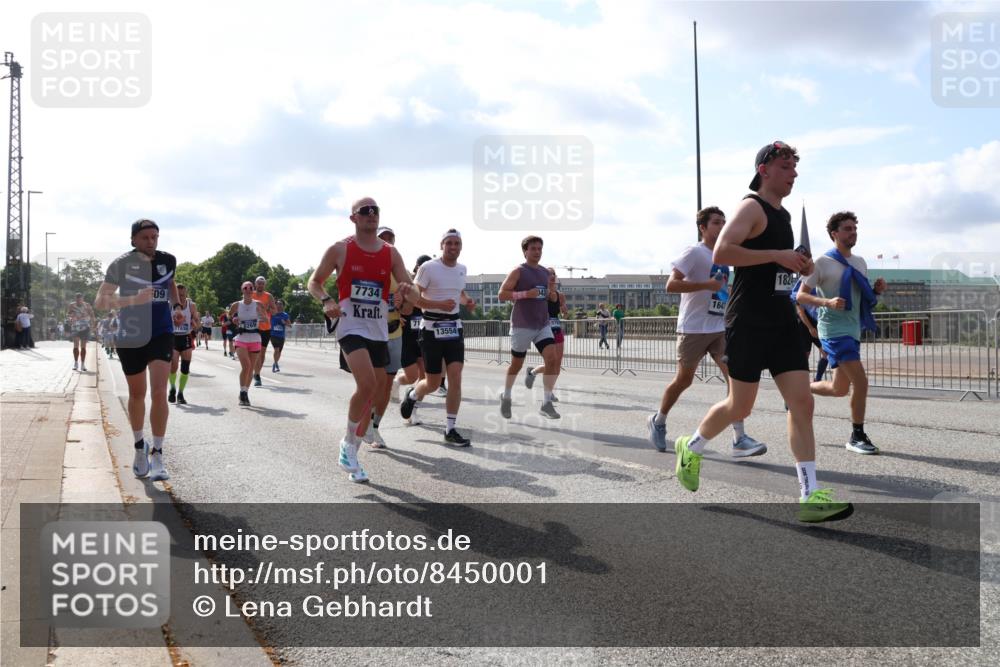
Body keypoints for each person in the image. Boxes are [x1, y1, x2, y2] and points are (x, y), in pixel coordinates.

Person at [673, 141, 853, 523]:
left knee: (802, 402)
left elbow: (776, 268)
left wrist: (797, 266)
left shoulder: (783, 216)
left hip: (781, 321)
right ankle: (692, 446)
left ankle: (809, 494)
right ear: (764, 169)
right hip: (749, 322)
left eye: (795, 167)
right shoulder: (750, 206)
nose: (794, 173)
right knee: (741, 406)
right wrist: (777, 255)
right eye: (786, 166)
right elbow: (723, 252)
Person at [309, 197, 417, 482]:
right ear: (353, 218)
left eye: (375, 211)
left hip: (378, 329)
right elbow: (314, 281)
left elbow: (411, 294)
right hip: (349, 326)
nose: (371, 215)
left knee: (375, 391)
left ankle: (353, 452)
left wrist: (407, 292)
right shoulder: (340, 249)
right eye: (365, 211)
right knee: (367, 383)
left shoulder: (391, 254)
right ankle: (347, 442)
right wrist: (327, 300)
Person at [646, 206, 767, 457]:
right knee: (684, 380)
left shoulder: (725, 255)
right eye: (716, 222)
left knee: (734, 379)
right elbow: (671, 285)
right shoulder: (694, 252)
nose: (722, 226)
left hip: (719, 326)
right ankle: (658, 421)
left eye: (724, 222)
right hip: (692, 327)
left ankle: (739, 438)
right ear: (703, 227)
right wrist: (706, 285)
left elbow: (722, 290)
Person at [95, 219, 177, 482]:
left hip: (161, 333)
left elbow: (171, 284)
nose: (151, 242)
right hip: (130, 336)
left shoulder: (168, 260)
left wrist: (175, 307)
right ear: (133, 240)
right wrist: (133, 299)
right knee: (137, 394)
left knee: (160, 391)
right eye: (145, 238)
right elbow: (101, 301)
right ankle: (139, 446)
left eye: (155, 237)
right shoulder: (120, 265)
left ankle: (158, 454)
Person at [797, 211, 886, 455]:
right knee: (861, 381)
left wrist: (876, 292)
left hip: (853, 328)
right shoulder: (822, 263)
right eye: (847, 228)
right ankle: (857, 435)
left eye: (855, 228)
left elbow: (862, 297)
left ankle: (799, 389)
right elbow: (800, 295)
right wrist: (826, 302)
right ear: (834, 233)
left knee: (839, 388)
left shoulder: (860, 262)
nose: (853, 232)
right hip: (833, 330)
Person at [399, 229, 475, 445]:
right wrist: (438, 305)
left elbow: (458, 293)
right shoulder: (428, 268)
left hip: (454, 327)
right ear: (441, 245)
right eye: (449, 243)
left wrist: (467, 300)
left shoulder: (462, 269)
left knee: (455, 378)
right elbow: (414, 298)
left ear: (461, 246)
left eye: (457, 243)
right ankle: (413, 395)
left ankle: (450, 429)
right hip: (431, 328)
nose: (453, 247)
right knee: (432, 383)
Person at [498, 236, 560, 420]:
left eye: (540, 248)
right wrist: (526, 294)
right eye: (533, 248)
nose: (537, 252)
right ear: (525, 251)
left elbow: (548, 296)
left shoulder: (544, 272)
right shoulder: (518, 271)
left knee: (552, 359)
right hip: (522, 325)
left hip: (542, 324)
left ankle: (546, 403)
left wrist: (551, 294)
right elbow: (502, 295)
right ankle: (506, 396)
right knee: (516, 365)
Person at [392, 254, 432, 425]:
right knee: (411, 376)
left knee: (425, 377)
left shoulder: (431, 287)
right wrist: (397, 315)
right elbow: (396, 304)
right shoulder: (406, 284)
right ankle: (397, 382)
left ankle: (412, 411)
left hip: (422, 338)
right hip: (406, 338)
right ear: (417, 269)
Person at [525, 268, 567, 402]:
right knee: (551, 363)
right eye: (549, 274)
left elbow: (563, 312)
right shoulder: (543, 293)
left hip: (557, 329)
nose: (552, 276)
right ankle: (547, 393)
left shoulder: (560, 295)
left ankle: (535, 375)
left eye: (554, 274)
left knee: (557, 364)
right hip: (545, 330)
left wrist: (565, 311)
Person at [230, 282, 268, 406]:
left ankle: (245, 393)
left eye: (251, 288)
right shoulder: (236, 305)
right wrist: (234, 318)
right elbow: (230, 315)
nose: (248, 290)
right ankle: (242, 391)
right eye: (245, 288)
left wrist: (260, 316)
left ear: (253, 290)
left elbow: (266, 320)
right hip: (241, 338)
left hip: (255, 338)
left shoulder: (258, 304)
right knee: (246, 366)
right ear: (242, 290)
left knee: (251, 369)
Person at [168, 284, 199, 406]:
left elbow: (197, 321)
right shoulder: (170, 305)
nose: (180, 297)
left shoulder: (191, 305)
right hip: (173, 338)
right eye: (178, 295)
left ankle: (180, 393)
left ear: (186, 294)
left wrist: (194, 323)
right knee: (173, 365)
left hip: (186, 337)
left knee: (185, 368)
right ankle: (172, 388)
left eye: (182, 295)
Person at [251, 276, 277, 387]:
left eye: (262, 283)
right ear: (255, 284)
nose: (260, 285)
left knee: (261, 354)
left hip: (265, 327)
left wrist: (267, 309)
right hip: (253, 327)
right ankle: (255, 373)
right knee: (254, 352)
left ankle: (257, 374)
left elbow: (275, 311)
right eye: (258, 283)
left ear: (264, 285)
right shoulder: (250, 294)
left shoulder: (268, 296)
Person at [67, 292, 96, 371]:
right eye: (77, 300)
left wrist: (93, 325)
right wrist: (70, 318)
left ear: (82, 299)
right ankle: (76, 363)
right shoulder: (72, 305)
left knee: (83, 346)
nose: (78, 301)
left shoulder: (87, 305)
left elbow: (92, 315)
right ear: (75, 299)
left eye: (80, 300)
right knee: (76, 345)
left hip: (85, 327)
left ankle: (83, 364)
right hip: (75, 327)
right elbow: (68, 315)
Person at [269, 299, 291, 373]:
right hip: (273, 334)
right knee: (276, 349)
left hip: (281, 336)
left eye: (280, 304)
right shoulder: (272, 314)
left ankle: (275, 362)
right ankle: (274, 364)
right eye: (277, 304)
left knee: (279, 352)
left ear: (283, 306)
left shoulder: (285, 315)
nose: (279, 305)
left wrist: (284, 322)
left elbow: (290, 325)